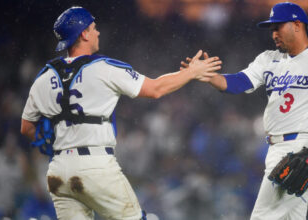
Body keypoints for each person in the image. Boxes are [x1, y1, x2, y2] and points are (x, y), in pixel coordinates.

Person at [20, 6, 221, 220]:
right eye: (93, 28)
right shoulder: (104, 68)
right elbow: (155, 89)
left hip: (58, 170)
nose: (97, 32)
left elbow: (26, 127)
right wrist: (191, 72)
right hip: (95, 166)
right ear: (83, 34)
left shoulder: (43, 78)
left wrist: (58, 149)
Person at [182, 2, 308, 219]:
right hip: (275, 149)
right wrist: (207, 75)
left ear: (297, 25)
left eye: (278, 27)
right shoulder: (269, 59)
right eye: (271, 29)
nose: (273, 34)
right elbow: (238, 83)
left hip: (301, 149)